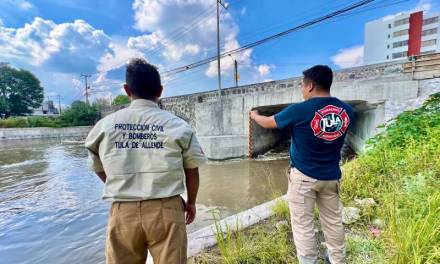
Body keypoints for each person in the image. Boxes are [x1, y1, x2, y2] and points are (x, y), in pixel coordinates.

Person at [85, 58, 207, 264]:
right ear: (160, 91)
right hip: (167, 209)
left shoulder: (103, 127)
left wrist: (120, 185)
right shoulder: (178, 126)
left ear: (126, 89)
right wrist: (192, 203)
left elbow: (97, 167)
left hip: (122, 212)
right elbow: (192, 171)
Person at [250, 65, 354, 264]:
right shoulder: (346, 111)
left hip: (304, 178)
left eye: (302, 85)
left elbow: (268, 123)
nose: (301, 89)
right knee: (333, 221)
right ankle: (338, 259)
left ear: (310, 86)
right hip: (331, 177)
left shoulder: (299, 110)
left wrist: (254, 116)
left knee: (303, 224)